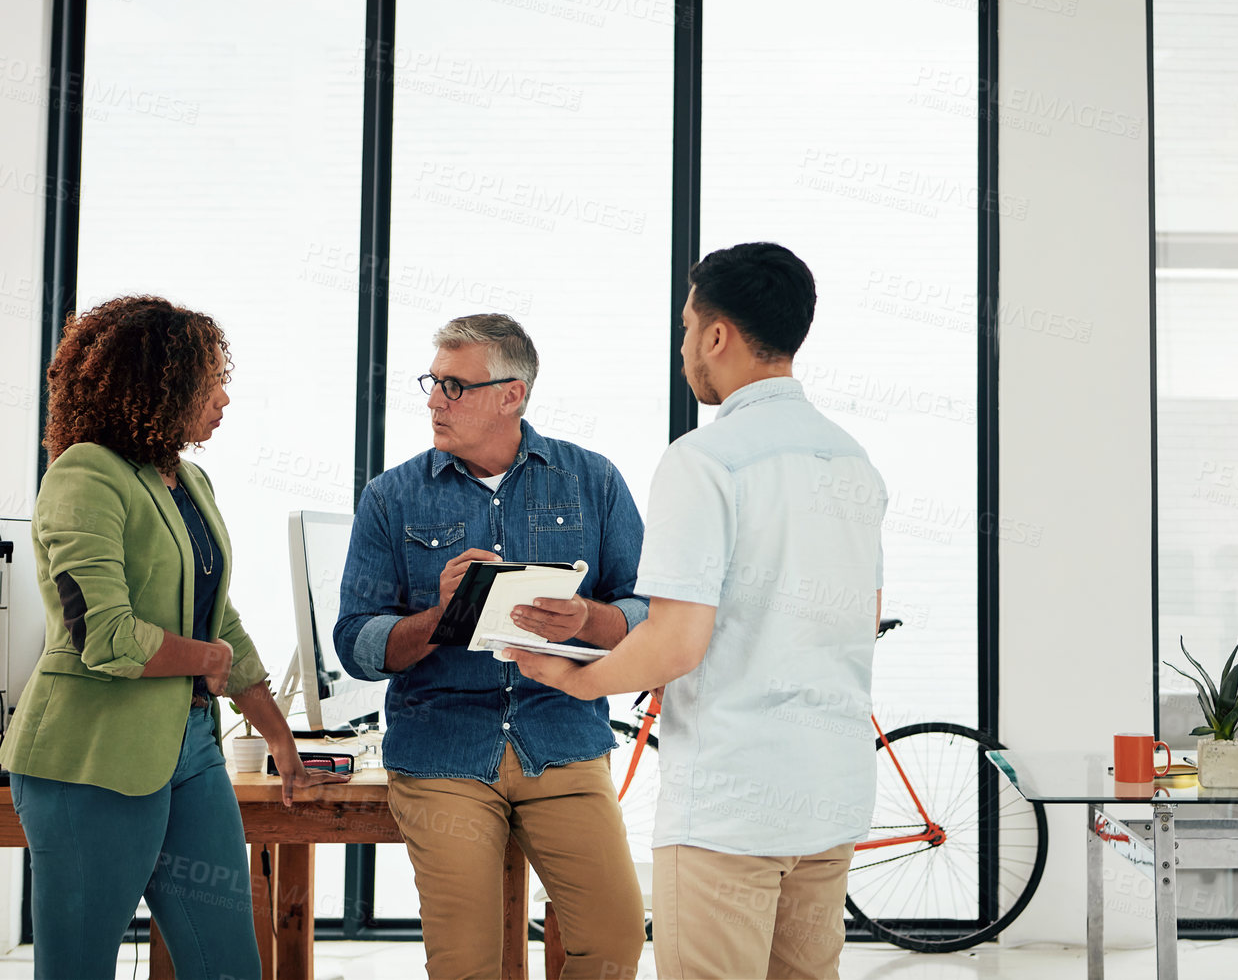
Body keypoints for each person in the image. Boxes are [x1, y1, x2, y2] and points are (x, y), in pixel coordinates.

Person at [509, 243, 888, 980]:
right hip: (832, 793)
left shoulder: (704, 460)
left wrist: (571, 677)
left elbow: (676, 643)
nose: (685, 347)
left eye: (688, 328)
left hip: (732, 804)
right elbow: (863, 614)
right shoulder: (852, 461)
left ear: (717, 336)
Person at [1, 294, 348, 980]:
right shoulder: (85, 475)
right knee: (77, 967)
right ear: (154, 387)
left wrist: (280, 739)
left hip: (191, 749)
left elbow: (219, 618)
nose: (222, 397)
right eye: (206, 380)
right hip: (90, 758)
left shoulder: (189, 481)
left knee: (229, 964)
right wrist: (205, 660)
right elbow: (105, 635)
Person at [333, 313, 646, 980]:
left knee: (617, 944)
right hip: (443, 750)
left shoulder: (593, 481)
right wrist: (440, 616)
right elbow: (356, 643)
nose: (433, 401)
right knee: (466, 964)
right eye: (434, 382)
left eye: (455, 386)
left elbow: (644, 610)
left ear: (513, 394)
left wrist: (586, 620)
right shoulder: (391, 497)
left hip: (561, 739)